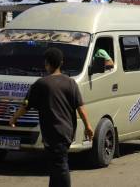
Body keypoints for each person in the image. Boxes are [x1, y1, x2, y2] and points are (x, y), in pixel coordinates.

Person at [9, 48, 94, 187]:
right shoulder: (71, 82)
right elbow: (80, 106)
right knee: (56, 164)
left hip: (53, 132)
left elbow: (26, 106)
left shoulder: (42, 84)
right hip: (67, 131)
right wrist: (88, 126)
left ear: (47, 63)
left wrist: (13, 118)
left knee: (60, 165)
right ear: (61, 63)